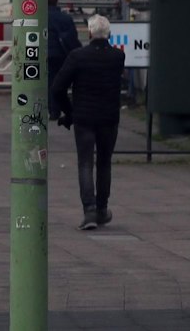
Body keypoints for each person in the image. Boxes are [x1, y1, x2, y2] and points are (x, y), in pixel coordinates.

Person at [52, 13, 126, 230]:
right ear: (109, 34)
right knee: (104, 163)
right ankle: (103, 209)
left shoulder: (77, 57)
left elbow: (57, 88)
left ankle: (89, 211)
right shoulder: (117, 57)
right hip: (109, 117)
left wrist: (70, 112)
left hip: (84, 117)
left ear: (90, 33)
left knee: (85, 163)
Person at [45, 0, 81, 118]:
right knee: (61, 81)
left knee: (49, 81)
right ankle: (61, 107)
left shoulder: (40, 18)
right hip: (61, 53)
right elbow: (72, 37)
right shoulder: (65, 18)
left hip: (44, 54)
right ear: (56, 3)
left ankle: (53, 109)